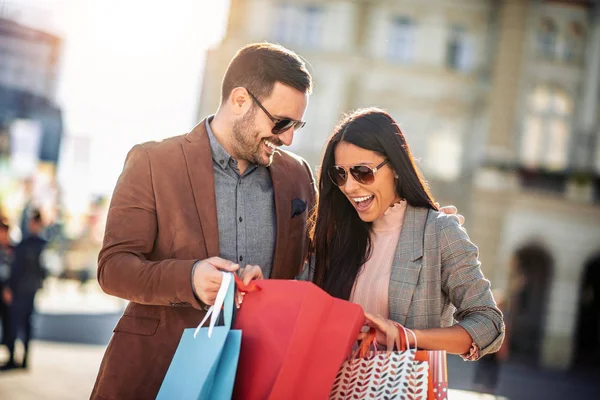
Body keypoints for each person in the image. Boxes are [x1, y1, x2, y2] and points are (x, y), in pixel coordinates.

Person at [90, 42, 316, 399]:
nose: (288, 138)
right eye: (281, 122)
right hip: (158, 372)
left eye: (296, 126)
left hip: (258, 377)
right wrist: (191, 279)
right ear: (240, 100)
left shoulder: (298, 175)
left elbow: (308, 272)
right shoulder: (153, 161)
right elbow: (113, 269)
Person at [309, 108, 504, 359]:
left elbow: (489, 323)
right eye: (340, 174)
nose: (349, 186)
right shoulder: (334, 233)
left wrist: (408, 337)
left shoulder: (438, 232)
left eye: (363, 172)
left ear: (396, 168)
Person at [1, 210, 47, 370]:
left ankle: (22, 359)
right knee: (17, 325)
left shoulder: (34, 244)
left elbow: (22, 269)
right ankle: (15, 357)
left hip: (25, 291)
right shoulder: (32, 244)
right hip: (23, 290)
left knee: (22, 325)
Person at [0, 219, 13, 348]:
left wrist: (8, 287)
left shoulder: (12, 249)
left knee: (9, 320)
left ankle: (9, 347)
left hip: (7, 288)